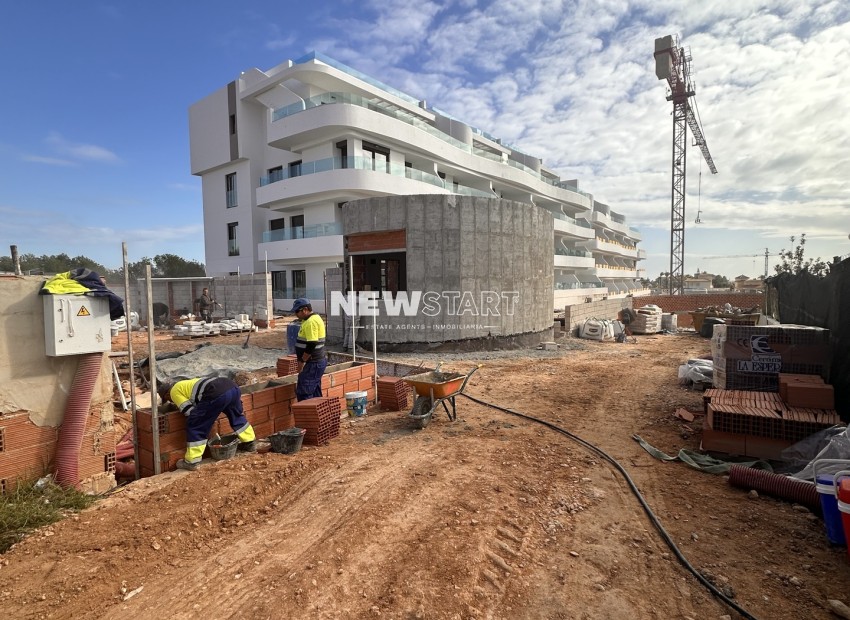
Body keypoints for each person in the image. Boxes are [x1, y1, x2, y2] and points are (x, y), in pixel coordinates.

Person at [158, 376, 256, 471]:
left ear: (167, 394)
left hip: (216, 392)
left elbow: (189, 412)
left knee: (195, 424)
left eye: (168, 399)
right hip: (232, 387)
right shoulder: (185, 384)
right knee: (236, 416)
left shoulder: (174, 391)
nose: (171, 401)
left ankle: (192, 461)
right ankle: (249, 443)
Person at [290, 297, 327, 401]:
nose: (296, 314)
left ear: (305, 309)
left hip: (313, 363)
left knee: (304, 393)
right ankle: (318, 415)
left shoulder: (311, 322)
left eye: (297, 311)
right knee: (315, 392)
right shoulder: (309, 320)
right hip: (314, 362)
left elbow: (312, 344)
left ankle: (307, 416)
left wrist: (302, 361)